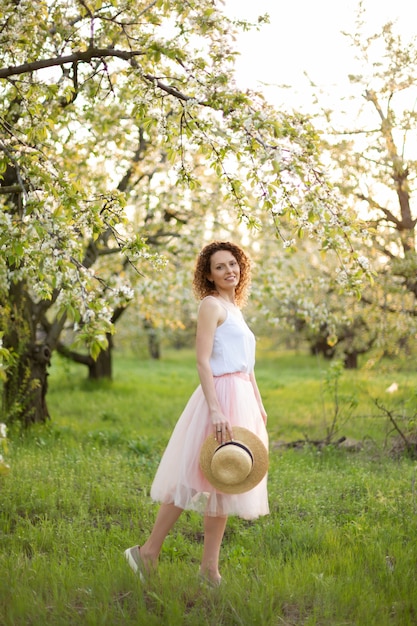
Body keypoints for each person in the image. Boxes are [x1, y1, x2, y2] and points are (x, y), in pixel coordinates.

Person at [124, 241, 269, 586]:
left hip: (243, 399)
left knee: (225, 483)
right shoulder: (211, 305)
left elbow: (247, 368)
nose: (228, 270)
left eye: (233, 264)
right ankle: (145, 553)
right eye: (219, 267)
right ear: (208, 274)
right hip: (219, 399)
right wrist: (217, 410)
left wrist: (259, 404)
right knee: (192, 478)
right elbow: (203, 361)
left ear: (241, 267)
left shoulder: (237, 310)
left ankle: (209, 570)